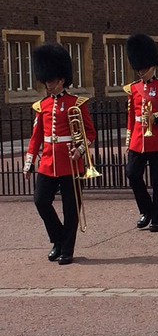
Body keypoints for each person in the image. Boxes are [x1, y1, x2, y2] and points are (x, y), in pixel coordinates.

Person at [24, 43, 96, 265]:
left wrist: (80, 150)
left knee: (70, 208)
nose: (47, 84)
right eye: (46, 80)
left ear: (62, 79)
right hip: (48, 162)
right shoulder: (42, 105)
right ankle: (58, 239)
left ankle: (67, 249)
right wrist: (29, 160)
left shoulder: (76, 103)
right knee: (41, 201)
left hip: (70, 162)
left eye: (51, 80)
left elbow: (90, 133)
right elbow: (37, 136)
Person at [124, 33, 158, 232]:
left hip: (157, 140)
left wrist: (157, 117)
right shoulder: (133, 88)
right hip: (139, 139)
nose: (141, 72)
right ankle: (146, 209)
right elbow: (131, 116)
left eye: (144, 68)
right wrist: (129, 137)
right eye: (138, 68)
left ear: (153, 66)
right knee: (132, 174)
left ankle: (156, 218)